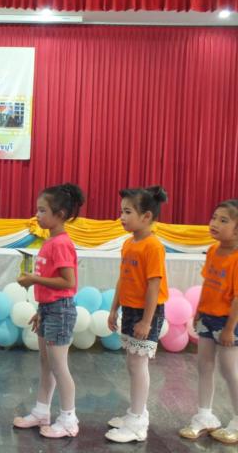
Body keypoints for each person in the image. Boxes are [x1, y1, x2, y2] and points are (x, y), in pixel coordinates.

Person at [13, 183, 84, 438]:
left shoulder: (61, 243)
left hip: (60, 311)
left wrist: (34, 279)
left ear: (60, 214)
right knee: (46, 363)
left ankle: (69, 419)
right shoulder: (50, 241)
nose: (37, 215)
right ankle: (42, 411)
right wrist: (41, 309)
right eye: (38, 210)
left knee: (59, 367)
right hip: (49, 309)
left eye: (42, 211)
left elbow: (68, 282)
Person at [106, 186, 168, 443]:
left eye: (128, 212)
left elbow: (154, 285)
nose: (121, 217)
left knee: (138, 364)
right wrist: (114, 308)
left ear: (146, 216)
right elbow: (123, 279)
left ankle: (138, 422)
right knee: (132, 363)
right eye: (121, 211)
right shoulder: (128, 243)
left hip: (146, 312)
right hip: (130, 309)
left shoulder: (153, 246)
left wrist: (146, 320)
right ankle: (135, 412)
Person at [179, 199, 238, 444]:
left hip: (229, 321)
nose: (214, 223)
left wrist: (229, 329)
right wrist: (199, 310)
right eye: (214, 217)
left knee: (229, 370)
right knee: (204, 365)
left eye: (223, 220)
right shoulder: (213, 250)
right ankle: (205, 416)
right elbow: (208, 283)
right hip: (208, 317)